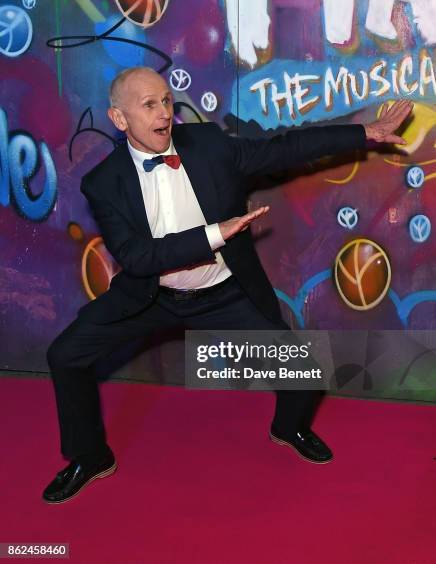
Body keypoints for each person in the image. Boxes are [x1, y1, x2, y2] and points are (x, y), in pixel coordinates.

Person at [42, 67, 413, 503]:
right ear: (119, 119)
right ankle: (90, 456)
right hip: (149, 296)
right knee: (65, 355)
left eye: (166, 101)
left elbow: (284, 147)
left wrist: (365, 132)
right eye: (149, 105)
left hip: (222, 291)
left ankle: (288, 427)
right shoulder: (103, 182)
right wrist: (217, 233)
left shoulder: (208, 145)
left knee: (304, 372)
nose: (164, 113)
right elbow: (138, 258)